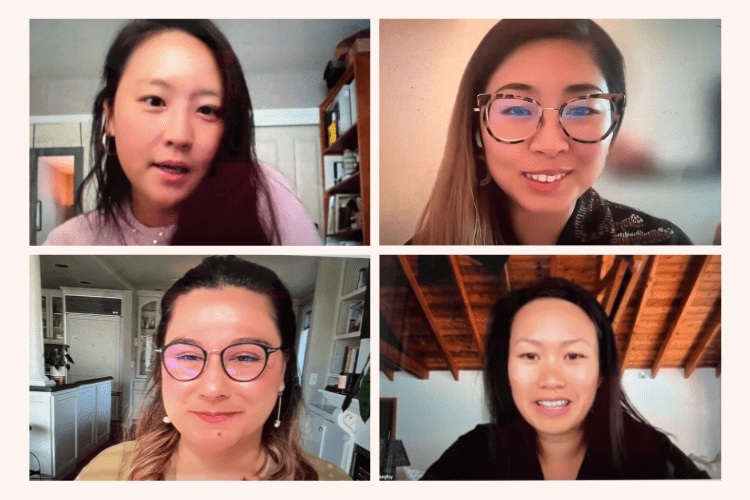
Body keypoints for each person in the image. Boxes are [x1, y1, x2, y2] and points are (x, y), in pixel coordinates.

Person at [411, 19, 691, 245]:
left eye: (581, 110)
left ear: (614, 122)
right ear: (476, 128)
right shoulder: (418, 259)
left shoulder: (663, 244)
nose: (550, 144)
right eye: (517, 110)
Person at [44, 20, 320, 245]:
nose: (180, 136)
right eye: (154, 101)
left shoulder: (262, 193)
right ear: (110, 116)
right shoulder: (68, 242)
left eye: (207, 110)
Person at [77, 256, 348, 480]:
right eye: (188, 356)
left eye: (245, 358)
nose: (213, 388)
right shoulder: (105, 475)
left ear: (283, 372)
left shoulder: (333, 483)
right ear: (160, 372)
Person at [421, 278, 709, 479]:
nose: (550, 379)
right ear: (506, 371)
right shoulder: (474, 452)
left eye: (573, 356)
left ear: (600, 373)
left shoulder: (650, 451)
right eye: (530, 356)